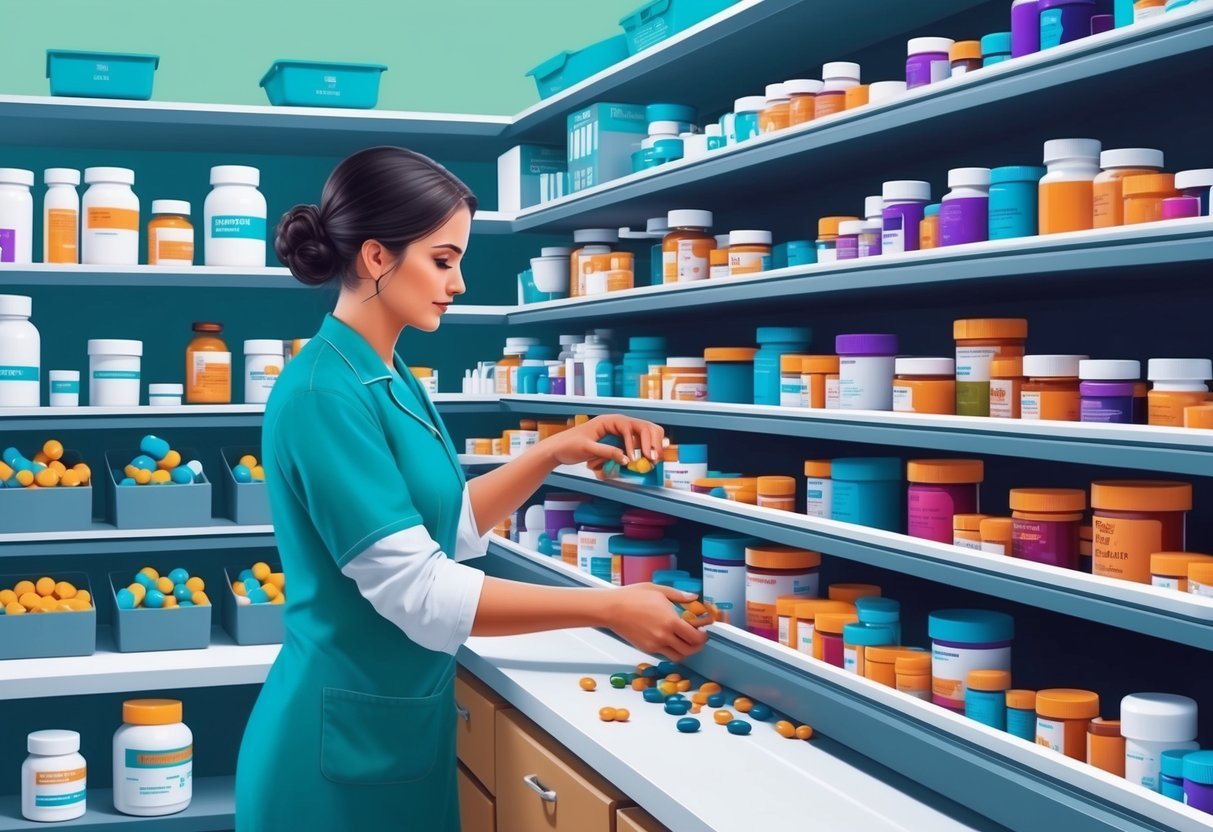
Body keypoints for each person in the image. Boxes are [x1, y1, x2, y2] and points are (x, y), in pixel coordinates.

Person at [234, 146, 710, 830]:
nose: (456, 283)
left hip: (396, 729)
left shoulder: (389, 374)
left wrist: (552, 452)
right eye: (443, 258)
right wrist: (607, 606)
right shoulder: (321, 393)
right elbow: (420, 592)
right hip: (328, 758)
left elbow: (442, 527)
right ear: (376, 257)